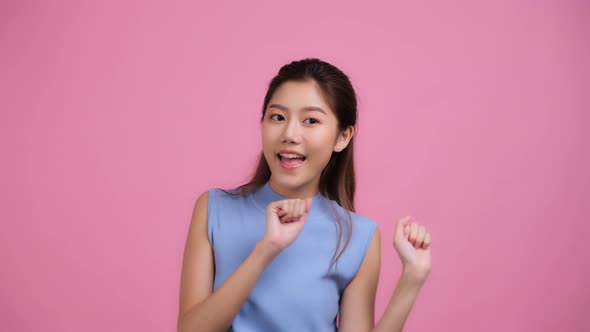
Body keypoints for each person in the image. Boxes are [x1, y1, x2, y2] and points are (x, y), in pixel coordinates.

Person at [177, 58, 432, 332]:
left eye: (311, 120)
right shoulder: (214, 209)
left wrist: (412, 280)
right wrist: (265, 250)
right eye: (278, 117)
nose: (290, 134)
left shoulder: (358, 236)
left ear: (342, 137)